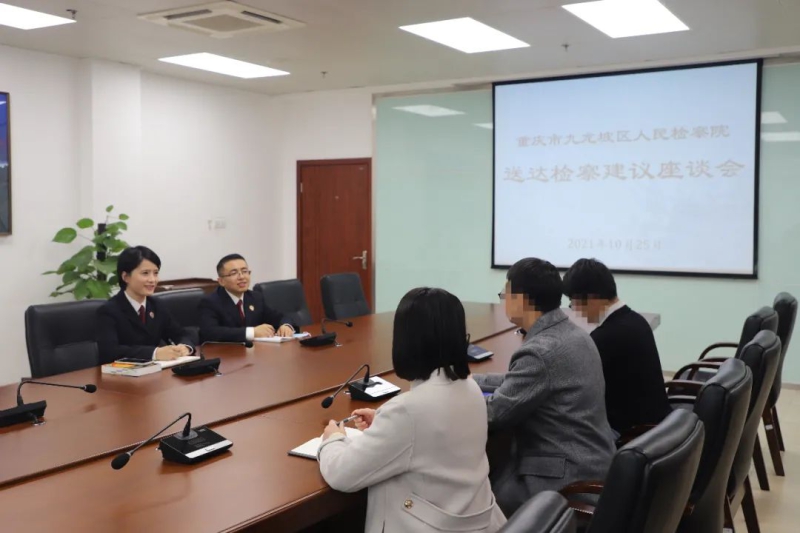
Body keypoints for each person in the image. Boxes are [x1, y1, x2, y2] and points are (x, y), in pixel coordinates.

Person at [317, 288, 506, 533]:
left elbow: (342, 474)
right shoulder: (470, 388)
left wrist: (333, 439)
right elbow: (432, 431)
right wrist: (385, 421)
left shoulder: (408, 412)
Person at [473, 257, 615, 517]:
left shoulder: (540, 352)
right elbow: (520, 381)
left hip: (566, 477)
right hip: (595, 460)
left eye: (505, 294)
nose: (504, 301)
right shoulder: (573, 334)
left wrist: (451, 400)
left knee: (479, 499)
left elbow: (494, 414)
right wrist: (471, 380)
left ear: (522, 300)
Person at [563, 258, 671, 435]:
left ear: (591, 298)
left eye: (573, 303)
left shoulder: (606, 337)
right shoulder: (635, 320)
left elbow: (573, 389)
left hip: (630, 433)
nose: (574, 310)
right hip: (656, 425)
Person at [96, 246, 195, 364]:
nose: (152, 280)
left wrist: (185, 347)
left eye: (155, 273)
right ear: (126, 277)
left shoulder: (157, 305)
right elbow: (109, 352)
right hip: (123, 373)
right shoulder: (109, 311)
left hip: (156, 371)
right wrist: (154, 353)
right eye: (145, 273)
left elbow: (181, 334)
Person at [198, 254, 295, 343]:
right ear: (221, 281)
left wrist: (286, 326)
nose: (241, 277)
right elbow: (210, 332)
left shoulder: (255, 297)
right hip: (227, 354)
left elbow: (280, 317)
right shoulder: (210, 302)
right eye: (234, 273)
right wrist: (252, 332)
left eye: (244, 271)